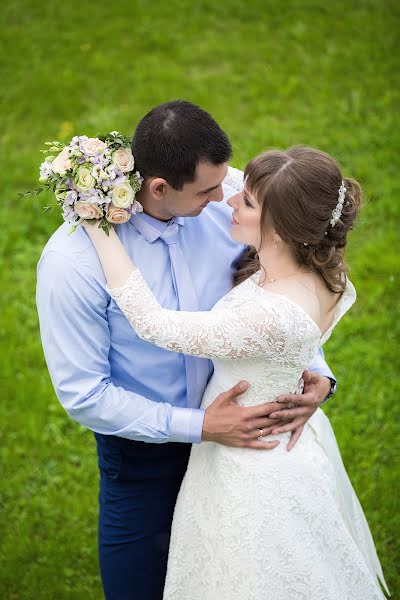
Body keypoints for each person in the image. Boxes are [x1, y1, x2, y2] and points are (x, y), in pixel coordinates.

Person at [36, 101, 337, 600]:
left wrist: (316, 372)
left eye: (228, 183)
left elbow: (290, 283)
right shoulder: (73, 262)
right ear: (159, 188)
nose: (227, 196)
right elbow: (85, 393)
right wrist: (201, 427)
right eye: (208, 190)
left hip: (247, 457)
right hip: (144, 460)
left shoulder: (241, 201)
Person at [82, 145, 389, 600]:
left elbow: (154, 323)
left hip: (246, 466)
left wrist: (98, 225)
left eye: (246, 201)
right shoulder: (331, 276)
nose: (229, 201)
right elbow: (300, 336)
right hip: (287, 444)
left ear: (281, 229)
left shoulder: (268, 317)